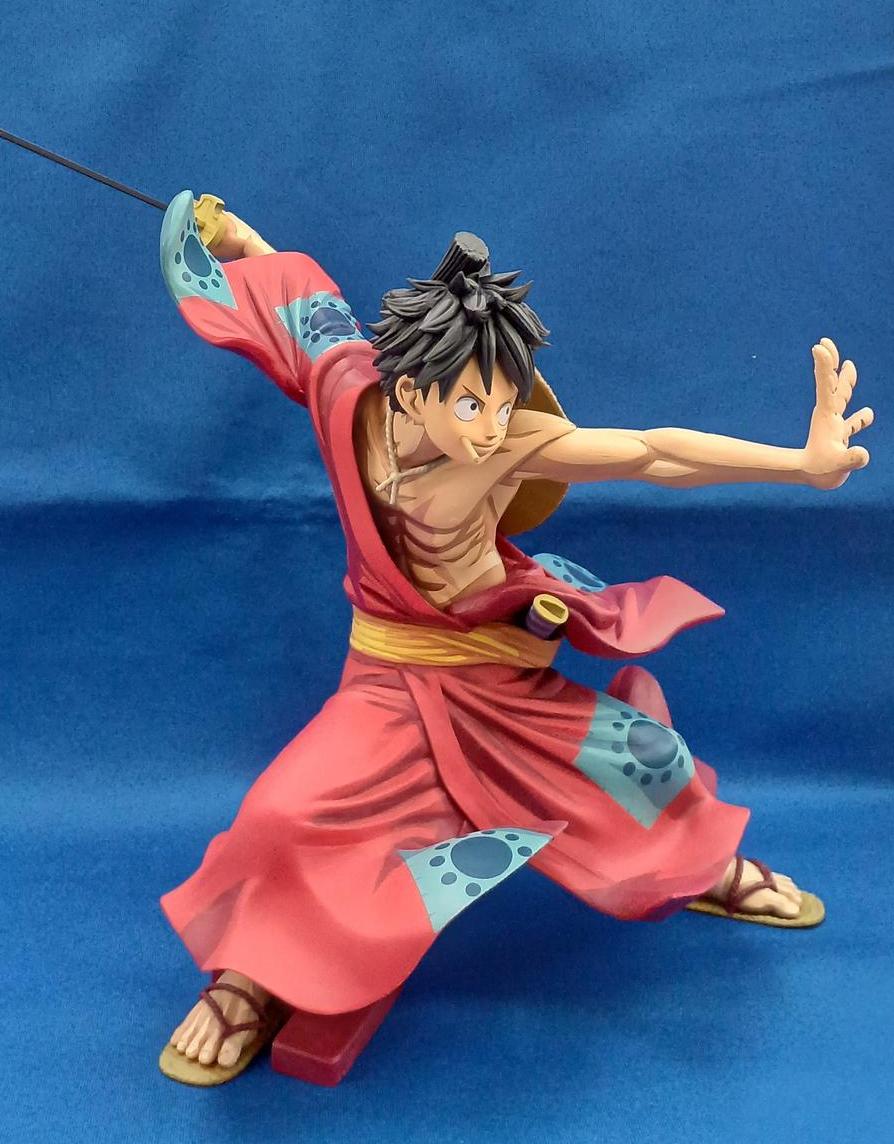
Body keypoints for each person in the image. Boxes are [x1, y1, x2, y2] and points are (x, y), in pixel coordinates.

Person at [153, 192, 873, 1086]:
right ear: (409, 390)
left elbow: (652, 453)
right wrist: (227, 235)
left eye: (503, 405)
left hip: (496, 668)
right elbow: (296, 291)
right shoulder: (342, 388)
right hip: (388, 677)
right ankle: (253, 980)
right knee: (280, 813)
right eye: (472, 406)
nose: (494, 429)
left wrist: (799, 466)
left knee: (646, 759)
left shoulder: (507, 446)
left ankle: (704, 866)